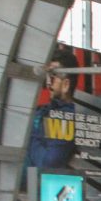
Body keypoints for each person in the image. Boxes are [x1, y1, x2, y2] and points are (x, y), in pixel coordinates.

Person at [24, 46, 80, 175]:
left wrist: (28, 136)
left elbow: (48, 163)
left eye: (52, 77)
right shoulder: (43, 111)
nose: (48, 83)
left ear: (66, 85)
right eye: (47, 77)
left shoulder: (64, 116)